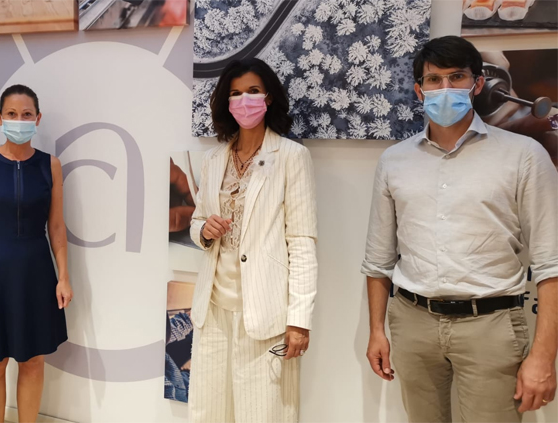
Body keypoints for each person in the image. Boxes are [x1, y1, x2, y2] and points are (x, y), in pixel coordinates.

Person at [363, 36, 558, 422]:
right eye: (434, 80)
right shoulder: (394, 161)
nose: (445, 88)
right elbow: (377, 259)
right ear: (419, 90)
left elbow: (551, 263)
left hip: (491, 324)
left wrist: (543, 356)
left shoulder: (523, 155)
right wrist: (376, 330)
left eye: (457, 77)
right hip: (413, 322)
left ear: (478, 83)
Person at [187, 58, 318, 423]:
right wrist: (204, 230)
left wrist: (299, 320)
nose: (244, 100)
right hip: (213, 308)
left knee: (263, 413)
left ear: (269, 97)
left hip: (265, 311)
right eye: (235, 93)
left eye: (253, 91)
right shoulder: (214, 159)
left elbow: (302, 242)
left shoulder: (292, 156)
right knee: (208, 413)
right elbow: (197, 221)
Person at [0, 84, 72, 422]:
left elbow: (57, 226)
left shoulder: (50, 165)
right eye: (12, 114)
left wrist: (64, 276)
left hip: (36, 270)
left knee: (33, 360)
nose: (19, 120)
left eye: (26, 114)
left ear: (37, 118)